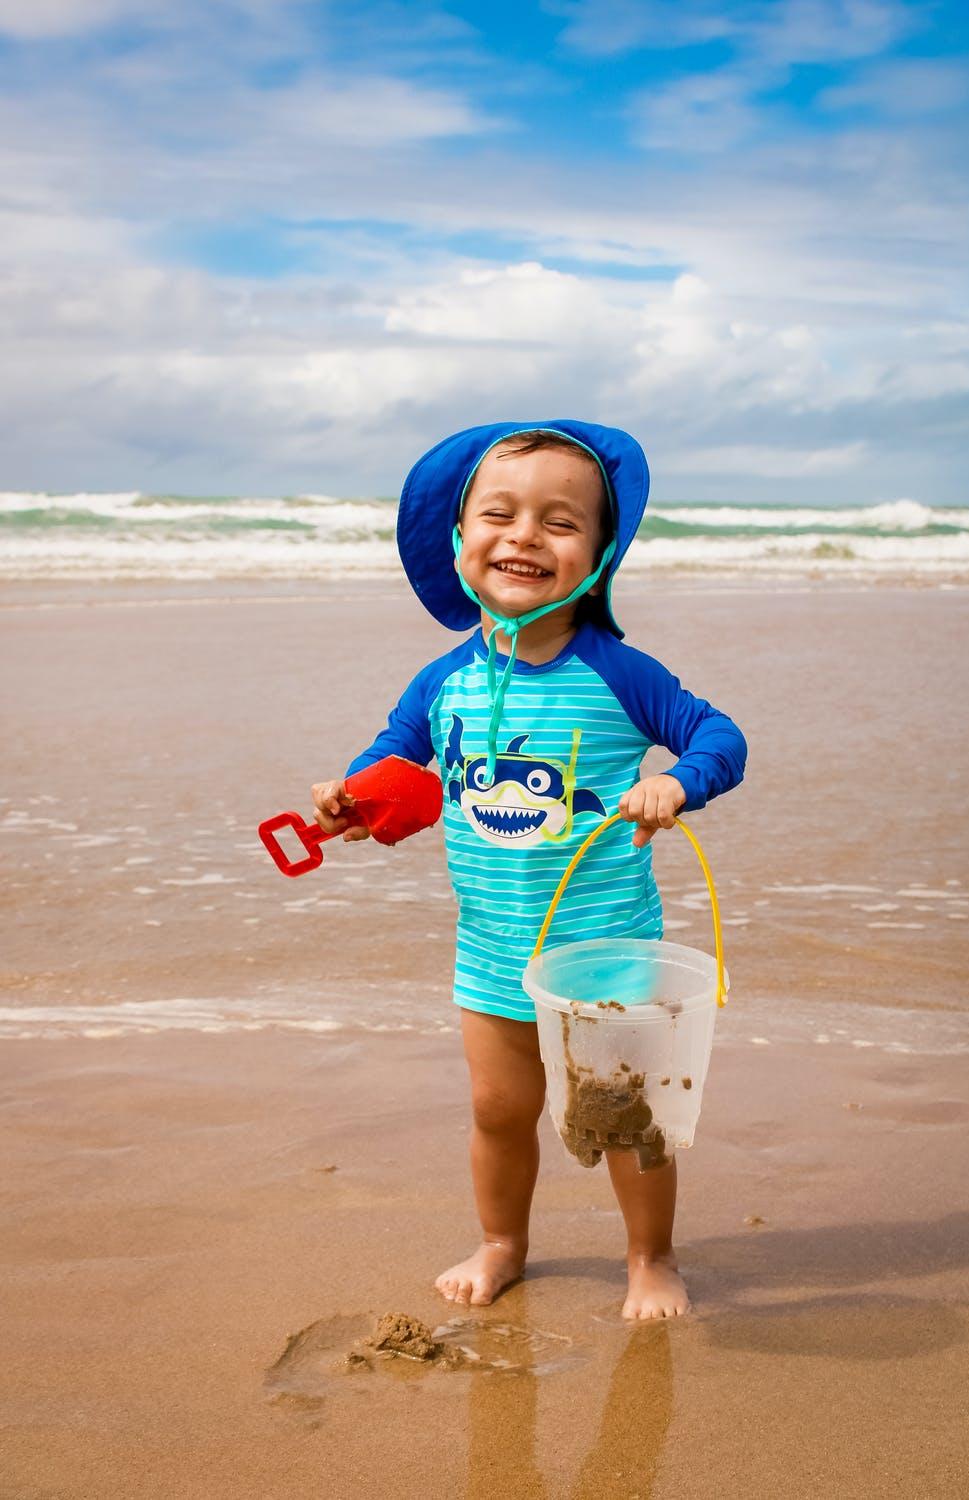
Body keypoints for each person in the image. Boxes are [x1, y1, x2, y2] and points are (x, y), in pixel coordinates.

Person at [312, 420, 747, 1319]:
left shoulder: (619, 673)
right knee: (499, 1112)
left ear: (599, 551)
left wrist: (677, 782)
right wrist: (356, 793)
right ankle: (503, 1243)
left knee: (625, 1122)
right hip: (492, 947)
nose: (523, 536)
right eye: (499, 515)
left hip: (608, 953)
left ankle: (648, 1258)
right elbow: (399, 751)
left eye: (560, 522)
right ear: (459, 540)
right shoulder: (444, 680)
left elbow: (721, 737)